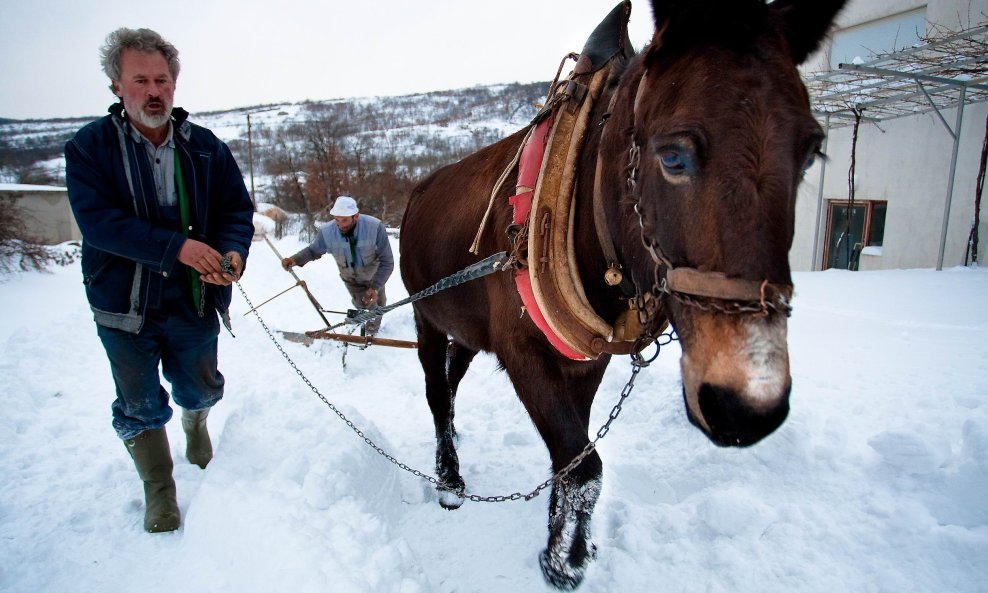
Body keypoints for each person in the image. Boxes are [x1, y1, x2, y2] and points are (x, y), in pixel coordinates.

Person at [64, 28, 255, 533]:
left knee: (200, 386)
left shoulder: (206, 148)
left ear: (175, 84)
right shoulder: (89, 149)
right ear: (116, 86)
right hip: (123, 302)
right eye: (141, 80)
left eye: (163, 80)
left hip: (193, 297)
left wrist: (232, 252)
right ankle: (159, 490)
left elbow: (237, 209)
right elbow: (99, 224)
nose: (154, 91)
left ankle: (196, 424)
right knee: (140, 402)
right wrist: (179, 249)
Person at [282, 196, 394, 336]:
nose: (341, 225)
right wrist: (294, 259)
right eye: (337, 220)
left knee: (380, 306)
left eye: (345, 220)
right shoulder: (327, 232)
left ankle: (370, 330)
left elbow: (387, 261)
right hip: (352, 279)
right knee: (368, 307)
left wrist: (376, 286)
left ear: (356, 216)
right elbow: (313, 251)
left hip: (375, 276)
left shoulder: (375, 227)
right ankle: (368, 337)